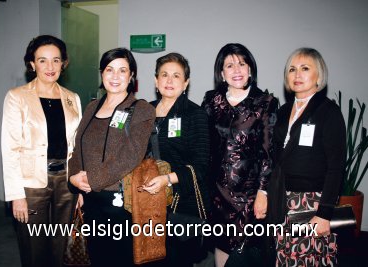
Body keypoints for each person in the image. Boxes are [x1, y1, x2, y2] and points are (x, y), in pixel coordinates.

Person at [68, 47, 155, 267]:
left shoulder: (141, 109)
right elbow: (77, 147)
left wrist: (91, 180)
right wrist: (74, 178)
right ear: (102, 73)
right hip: (90, 198)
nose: (115, 76)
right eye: (109, 69)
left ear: (131, 75)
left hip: (120, 201)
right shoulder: (91, 107)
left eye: (122, 70)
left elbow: (131, 156)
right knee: (97, 257)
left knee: (120, 259)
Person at [1, 35, 82, 267]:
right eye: (43, 60)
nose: (50, 66)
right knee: (34, 248)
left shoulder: (71, 98)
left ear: (63, 64)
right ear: (32, 63)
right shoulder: (17, 97)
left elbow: (76, 146)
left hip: (66, 183)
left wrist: (78, 189)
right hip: (31, 185)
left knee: (61, 246)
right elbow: (10, 148)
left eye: (56, 60)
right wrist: (16, 195)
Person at [202, 43, 278, 267]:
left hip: (249, 196)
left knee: (246, 252)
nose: (236, 70)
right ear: (222, 73)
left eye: (242, 64)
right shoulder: (211, 100)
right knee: (221, 247)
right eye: (230, 65)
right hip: (216, 192)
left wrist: (263, 192)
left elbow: (268, 151)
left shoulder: (265, 103)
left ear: (251, 69)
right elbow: (203, 144)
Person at [268, 47, 346, 266]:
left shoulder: (328, 111)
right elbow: (275, 157)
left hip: (312, 203)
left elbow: (336, 167)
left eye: (305, 68)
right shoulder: (283, 111)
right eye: (292, 69)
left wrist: (324, 214)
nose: (297, 74)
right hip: (282, 200)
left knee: (308, 259)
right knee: (285, 257)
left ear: (318, 76)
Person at [141, 52, 211, 267]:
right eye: (164, 75)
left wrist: (167, 180)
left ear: (186, 83)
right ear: (155, 80)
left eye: (176, 76)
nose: (169, 81)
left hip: (181, 204)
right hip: (147, 203)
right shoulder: (144, 112)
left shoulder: (195, 114)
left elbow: (202, 166)